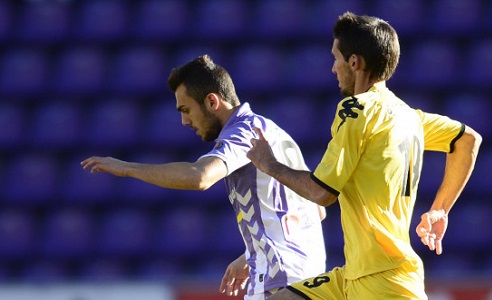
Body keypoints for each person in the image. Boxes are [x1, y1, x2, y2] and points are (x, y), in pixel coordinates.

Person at [246, 12, 482, 300]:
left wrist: (269, 164)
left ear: (354, 62)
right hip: (354, 276)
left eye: (336, 58)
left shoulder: (356, 110)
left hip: (383, 282)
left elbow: (321, 193)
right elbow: (468, 140)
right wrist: (440, 209)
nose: (333, 68)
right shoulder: (409, 116)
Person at [81, 55, 326, 300]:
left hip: (280, 279)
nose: (184, 121)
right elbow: (315, 210)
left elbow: (201, 176)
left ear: (211, 101)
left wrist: (127, 168)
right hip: (303, 278)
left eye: (186, 110)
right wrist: (252, 254)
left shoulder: (243, 133)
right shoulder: (272, 130)